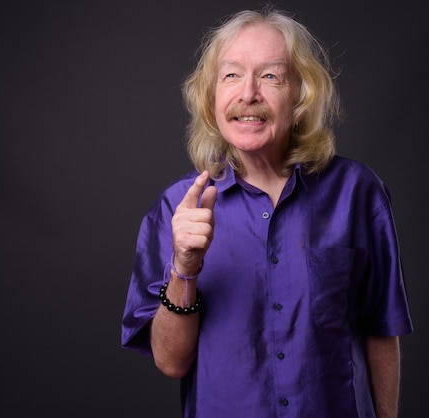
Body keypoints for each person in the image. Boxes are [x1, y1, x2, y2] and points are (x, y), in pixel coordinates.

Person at [121, 6, 413, 418]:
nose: (248, 94)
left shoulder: (358, 193)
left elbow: (382, 331)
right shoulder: (174, 208)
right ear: (212, 97)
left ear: (299, 94)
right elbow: (170, 362)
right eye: (231, 75)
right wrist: (184, 267)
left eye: (271, 76)